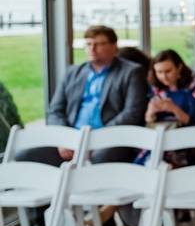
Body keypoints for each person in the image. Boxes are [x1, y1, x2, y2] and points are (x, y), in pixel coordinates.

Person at [20, 25, 147, 166]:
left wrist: (96, 140)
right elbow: (55, 111)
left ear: (113, 46)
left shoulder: (131, 72)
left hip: (111, 139)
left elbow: (132, 113)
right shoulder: (72, 73)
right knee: (24, 155)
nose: (92, 49)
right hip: (71, 139)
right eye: (88, 44)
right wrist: (64, 139)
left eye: (99, 44)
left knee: (98, 159)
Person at [140, 49, 195, 166]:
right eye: (159, 72)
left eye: (168, 71)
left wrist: (174, 109)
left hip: (184, 141)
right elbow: (148, 121)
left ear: (179, 68)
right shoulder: (155, 88)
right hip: (158, 139)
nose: (163, 76)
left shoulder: (194, 89)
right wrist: (150, 113)